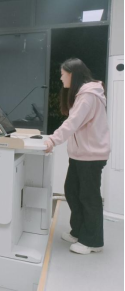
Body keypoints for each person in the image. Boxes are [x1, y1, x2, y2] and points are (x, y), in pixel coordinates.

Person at [44, 58, 111, 255]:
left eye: (63, 74)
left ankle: (93, 241)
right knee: (72, 192)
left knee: (89, 197)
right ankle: (79, 231)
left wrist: (52, 140)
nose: (61, 78)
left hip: (91, 156)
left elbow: (72, 123)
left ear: (72, 74)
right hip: (81, 155)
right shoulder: (83, 94)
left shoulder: (89, 95)